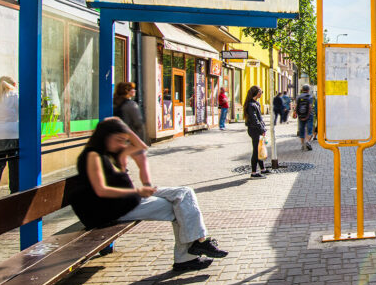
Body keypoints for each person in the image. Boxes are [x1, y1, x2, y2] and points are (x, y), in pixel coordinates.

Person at [68, 117, 228, 272]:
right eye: (118, 139)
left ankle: (196, 245)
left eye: (123, 140)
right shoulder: (92, 156)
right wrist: (138, 191)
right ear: (104, 136)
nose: (122, 144)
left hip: (129, 199)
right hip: (114, 209)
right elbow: (101, 190)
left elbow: (141, 146)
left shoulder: (109, 153)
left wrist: (124, 129)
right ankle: (190, 252)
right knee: (180, 205)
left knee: (184, 195)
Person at [244, 86, 269, 177]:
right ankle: (253, 172)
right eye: (260, 91)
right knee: (256, 151)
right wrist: (261, 129)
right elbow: (255, 120)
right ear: (256, 93)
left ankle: (262, 169)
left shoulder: (256, 103)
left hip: (257, 129)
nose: (261, 93)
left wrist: (263, 128)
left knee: (259, 149)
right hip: (254, 130)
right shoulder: (251, 105)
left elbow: (259, 119)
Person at [295, 85, 316, 151]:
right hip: (309, 115)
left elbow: (296, 106)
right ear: (308, 90)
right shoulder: (310, 97)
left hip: (301, 115)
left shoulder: (298, 97)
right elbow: (310, 107)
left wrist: (296, 113)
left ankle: (303, 144)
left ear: (302, 89)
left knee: (301, 130)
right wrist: (307, 115)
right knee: (309, 130)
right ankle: (307, 142)